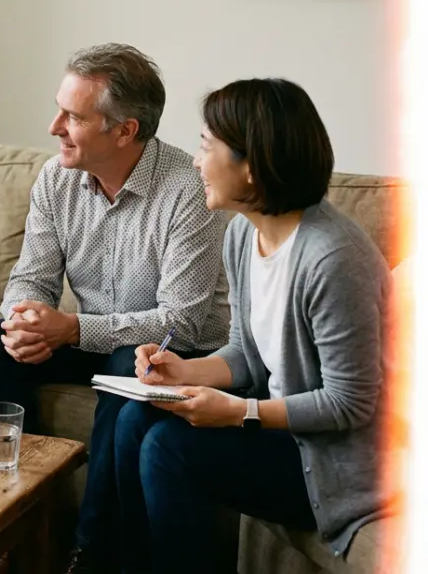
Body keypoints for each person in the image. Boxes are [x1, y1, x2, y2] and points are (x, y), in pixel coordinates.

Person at [0, 43, 229, 573]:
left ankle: (90, 550)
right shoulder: (56, 177)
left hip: (175, 351)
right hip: (89, 336)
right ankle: (10, 517)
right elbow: (30, 277)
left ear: (124, 131)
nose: (54, 125)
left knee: (119, 365)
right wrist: (24, 320)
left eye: (74, 117)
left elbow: (181, 319)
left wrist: (71, 329)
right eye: (59, 109)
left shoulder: (186, 191)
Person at [112, 79, 391, 574]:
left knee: (169, 449)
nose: (197, 163)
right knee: (136, 418)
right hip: (280, 435)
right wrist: (185, 371)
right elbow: (245, 350)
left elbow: (351, 402)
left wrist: (241, 412)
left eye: (206, 147)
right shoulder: (243, 233)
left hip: (330, 463)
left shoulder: (332, 258)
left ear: (252, 165)